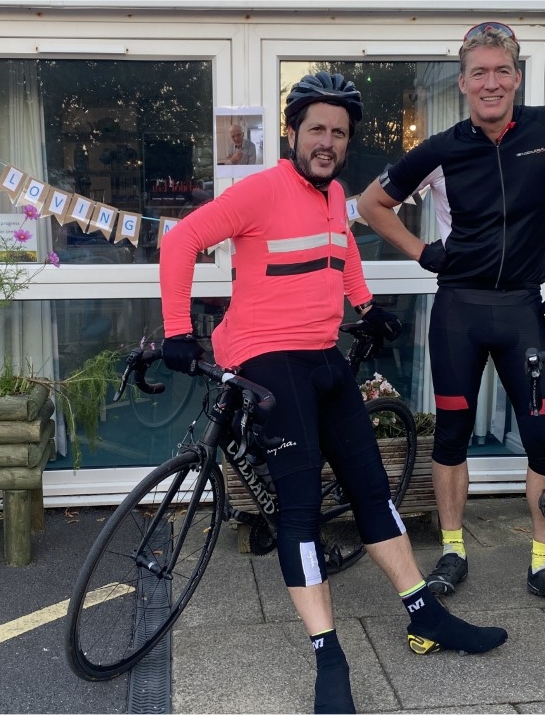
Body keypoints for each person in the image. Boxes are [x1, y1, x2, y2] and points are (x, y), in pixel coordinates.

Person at [160, 71, 508, 714]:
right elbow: (181, 240)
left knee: (371, 488)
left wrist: (366, 304)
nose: (327, 141)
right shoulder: (259, 191)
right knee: (296, 507)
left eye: (339, 133)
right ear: (293, 132)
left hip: (322, 356)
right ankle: (329, 657)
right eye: (316, 129)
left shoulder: (334, 193)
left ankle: (424, 613)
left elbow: (340, 243)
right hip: (268, 357)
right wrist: (179, 331)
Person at [357, 22, 545, 610]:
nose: (492, 82)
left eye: (502, 71)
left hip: (522, 311)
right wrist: (424, 252)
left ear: (517, 77)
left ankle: (544, 563)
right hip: (459, 310)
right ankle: (453, 550)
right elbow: (370, 203)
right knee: (454, 437)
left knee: (544, 438)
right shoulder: (441, 148)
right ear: (463, 82)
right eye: (479, 72)